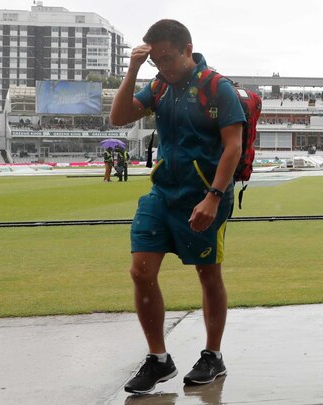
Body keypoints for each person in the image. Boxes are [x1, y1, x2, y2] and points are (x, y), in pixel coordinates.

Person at [110, 19, 245, 394]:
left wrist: (213, 197)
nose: (164, 67)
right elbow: (118, 118)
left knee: (208, 274)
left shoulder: (217, 88)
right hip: (161, 194)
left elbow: (233, 146)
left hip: (205, 195)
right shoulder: (158, 86)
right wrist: (135, 69)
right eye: (157, 61)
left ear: (188, 49)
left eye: (168, 59)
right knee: (140, 272)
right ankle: (158, 359)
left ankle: (213, 356)